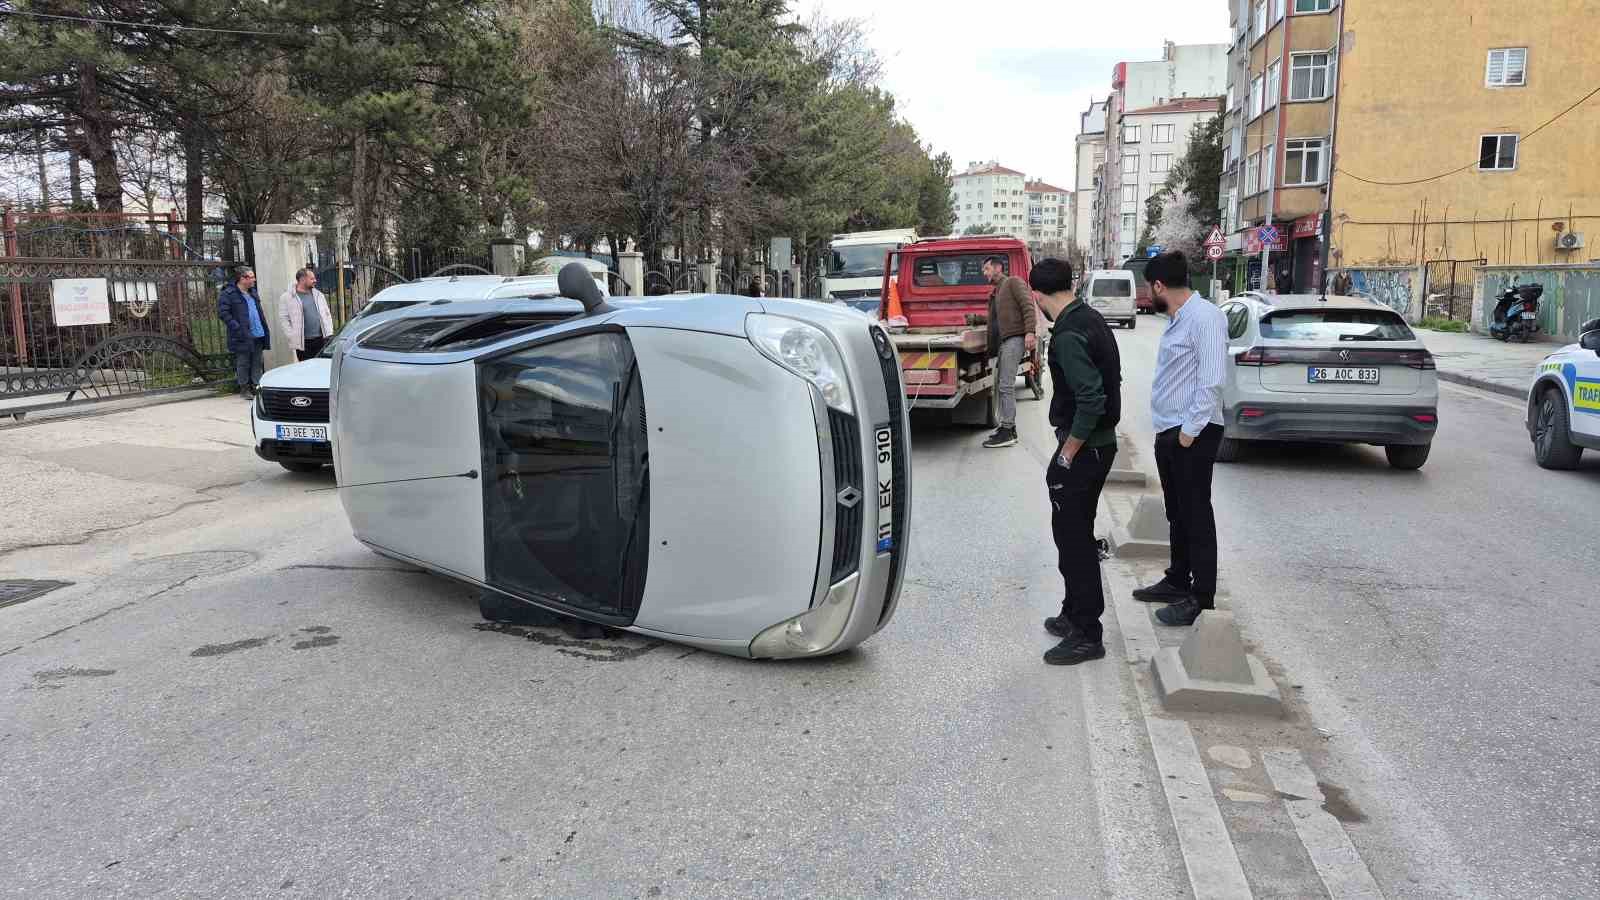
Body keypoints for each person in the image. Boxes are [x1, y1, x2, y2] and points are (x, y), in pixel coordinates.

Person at [1031, 258, 1122, 666]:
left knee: (1074, 542)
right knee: (1073, 533)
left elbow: (1091, 398)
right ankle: (1073, 613)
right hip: (1097, 446)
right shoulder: (1090, 317)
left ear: (1037, 296)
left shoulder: (1068, 334)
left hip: (1085, 449)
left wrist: (1068, 453)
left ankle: (1088, 633)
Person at [1134, 251, 1229, 626]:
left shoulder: (1205, 318)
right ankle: (1177, 579)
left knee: (1196, 514)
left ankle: (1201, 597)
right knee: (1177, 512)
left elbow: (1212, 380)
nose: (1147, 292)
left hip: (1193, 431)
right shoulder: (1178, 319)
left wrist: (1189, 434)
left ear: (1159, 285)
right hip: (1170, 429)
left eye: (1148, 286)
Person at [981, 255, 1037, 448]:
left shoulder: (1013, 282)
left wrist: (1030, 331)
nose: (984, 273)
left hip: (1015, 339)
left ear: (997, 268)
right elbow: (994, 320)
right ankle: (1006, 427)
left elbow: (1028, 306)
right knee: (1002, 384)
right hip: (1005, 342)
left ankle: (1008, 430)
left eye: (987, 269)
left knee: (1005, 385)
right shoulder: (996, 292)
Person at [218, 267, 269, 399]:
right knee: (243, 362)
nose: (254, 279)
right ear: (242, 278)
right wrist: (237, 327)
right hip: (241, 335)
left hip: (258, 333)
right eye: (251, 277)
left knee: (257, 361)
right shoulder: (228, 293)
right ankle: (244, 388)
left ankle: (256, 386)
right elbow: (223, 313)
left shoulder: (253, 292)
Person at [279, 267, 334, 361]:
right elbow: (284, 318)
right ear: (302, 279)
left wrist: (330, 330)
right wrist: (291, 335)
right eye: (312, 278)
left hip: (322, 339)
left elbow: (327, 314)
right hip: (303, 342)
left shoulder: (318, 295)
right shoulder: (287, 297)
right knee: (306, 369)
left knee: (322, 367)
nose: (315, 280)